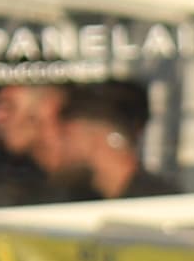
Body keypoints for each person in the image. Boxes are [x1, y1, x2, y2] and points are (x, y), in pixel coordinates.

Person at [50, 80, 182, 198]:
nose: (56, 142)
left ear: (94, 137)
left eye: (65, 134)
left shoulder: (161, 204)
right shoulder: (78, 199)